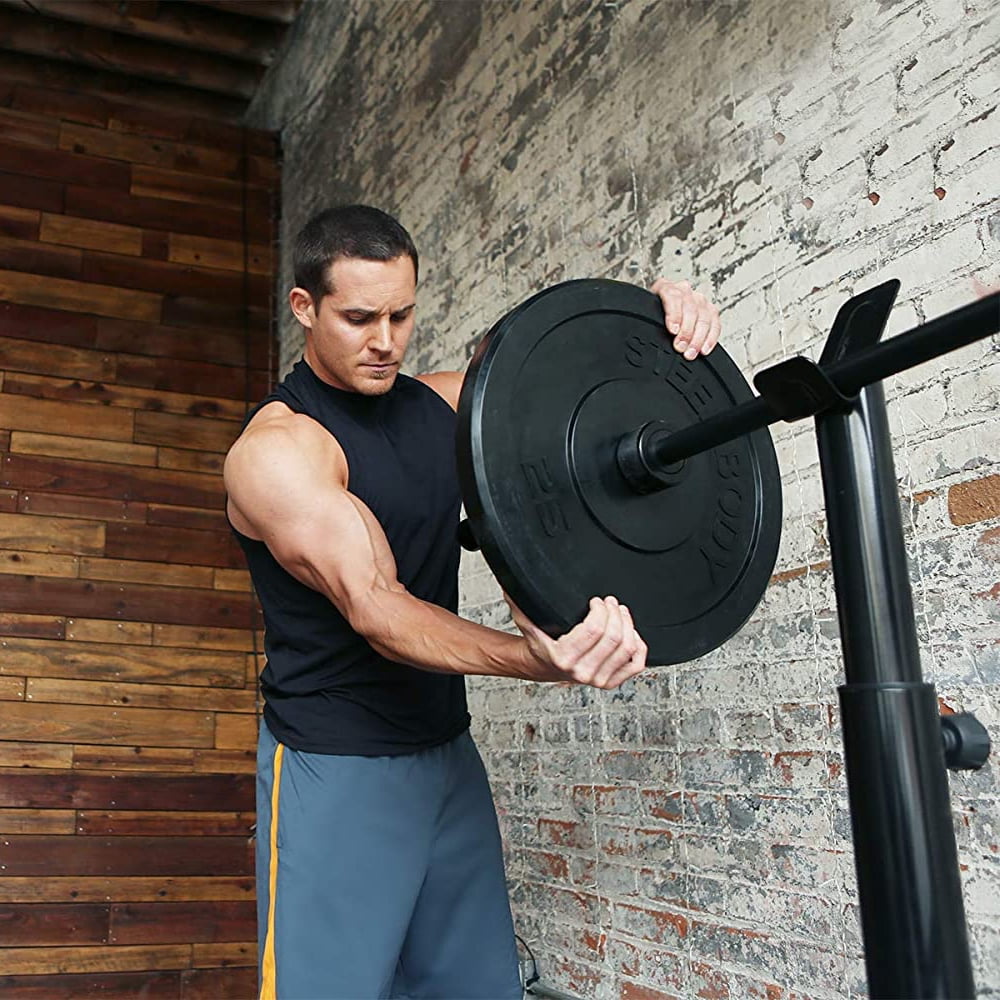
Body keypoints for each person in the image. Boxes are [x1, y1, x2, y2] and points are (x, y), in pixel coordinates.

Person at [224, 205, 722, 1000]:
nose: (386, 340)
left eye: (401, 315)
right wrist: (533, 659)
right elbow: (378, 607)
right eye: (360, 318)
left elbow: (585, 405)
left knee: (480, 989)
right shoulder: (279, 451)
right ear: (304, 307)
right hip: (335, 761)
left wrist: (663, 319)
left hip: (446, 757)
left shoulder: (442, 408)